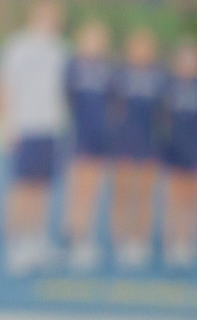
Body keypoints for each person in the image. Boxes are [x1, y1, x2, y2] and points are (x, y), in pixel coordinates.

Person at [0, 0, 68, 275]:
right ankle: (15, 246)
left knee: (42, 188)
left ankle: (36, 241)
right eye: (46, 12)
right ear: (35, 13)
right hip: (24, 127)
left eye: (55, 13)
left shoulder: (61, 50)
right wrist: (5, 126)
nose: (51, 18)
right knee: (21, 188)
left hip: (51, 129)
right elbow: (4, 87)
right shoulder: (18, 46)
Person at [108, 27, 165, 270]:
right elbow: (110, 106)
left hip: (149, 143)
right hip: (124, 142)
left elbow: (165, 111)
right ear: (130, 50)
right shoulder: (119, 74)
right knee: (122, 192)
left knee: (144, 194)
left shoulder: (160, 76)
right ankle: (119, 239)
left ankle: (139, 240)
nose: (141, 52)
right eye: (137, 46)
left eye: (146, 47)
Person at [63, 19, 114, 271]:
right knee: (78, 190)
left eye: (99, 39)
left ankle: (87, 240)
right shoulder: (72, 65)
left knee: (94, 190)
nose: (94, 44)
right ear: (82, 41)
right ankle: (75, 239)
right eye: (90, 38)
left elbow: (114, 102)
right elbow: (66, 99)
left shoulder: (108, 68)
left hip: (101, 139)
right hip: (80, 136)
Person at [159, 38, 197, 270]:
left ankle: (188, 239)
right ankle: (172, 241)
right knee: (174, 197)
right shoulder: (168, 85)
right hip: (174, 148)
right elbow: (160, 116)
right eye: (184, 60)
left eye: (192, 60)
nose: (188, 65)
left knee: (192, 198)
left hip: (195, 149)